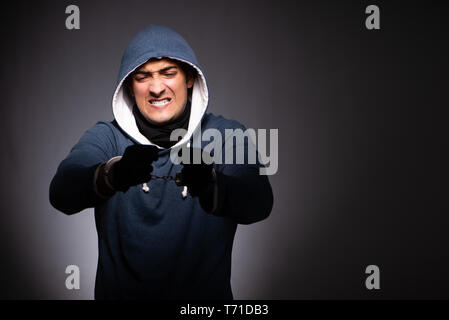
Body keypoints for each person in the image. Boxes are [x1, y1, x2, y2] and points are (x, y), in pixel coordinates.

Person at [49, 24, 273, 299]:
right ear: (130, 87)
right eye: (143, 77)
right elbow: (61, 192)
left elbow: (260, 200)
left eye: (168, 73)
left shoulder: (226, 135)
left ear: (189, 78)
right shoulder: (106, 137)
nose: (156, 88)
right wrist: (113, 174)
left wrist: (212, 185)